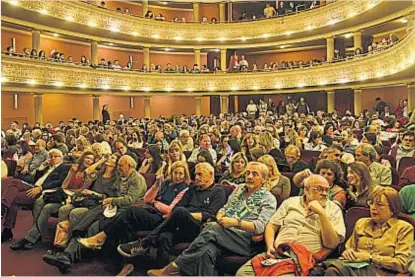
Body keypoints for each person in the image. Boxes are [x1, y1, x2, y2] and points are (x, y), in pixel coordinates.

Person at [146, 162, 277, 276]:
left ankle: (175, 267)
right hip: (225, 231)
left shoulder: (268, 199)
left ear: (264, 179)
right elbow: (224, 208)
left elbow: (260, 226)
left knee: (212, 228)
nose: (249, 177)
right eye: (248, 173)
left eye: (255, 174)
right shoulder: (239, 191)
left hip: (245, 240)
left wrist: (235, 222)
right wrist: (220, 217)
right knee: (207, 251)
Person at [115, 163, 227, 274]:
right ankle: (161, 271)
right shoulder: (192, 188)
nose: (196, 177)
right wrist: (179, 216)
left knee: (180, 212)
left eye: (200, 174)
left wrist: (184, 216)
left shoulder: (218, 191)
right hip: (179, 222)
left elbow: (211, 216)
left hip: (198, 227)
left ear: (210, 175)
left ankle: (146, 242)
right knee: (165, 236)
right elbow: (179, 206)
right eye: (196, 174)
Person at [42, 155, 147, 272]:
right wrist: (106, 198)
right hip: (111, 207)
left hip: (125, 212)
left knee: (93, 226)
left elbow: (129, 200)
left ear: (130, 166)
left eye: (121, 165)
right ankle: (67, 254)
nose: (118, 168)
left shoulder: (137, 179)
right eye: (118, 165)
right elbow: (112, 193)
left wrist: (111, 200)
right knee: (85, 220)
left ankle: (68, 255)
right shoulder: (122, 178)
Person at [236, 174, 345, 276]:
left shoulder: (333, 210)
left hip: (302, 259)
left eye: (327, 190)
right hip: (278, 253)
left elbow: (332, 244)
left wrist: (321, 214)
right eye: (319, 189)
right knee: (242, 273)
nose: (325, 193)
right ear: (306, 190)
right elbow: (272, 225)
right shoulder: (290, 202)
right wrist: (270, 247)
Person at [78, 161, 190, 249]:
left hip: (162, 219)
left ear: (185, 175)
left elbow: (170, 210)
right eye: (175, 173)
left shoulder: (185, 189)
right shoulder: (166, 183)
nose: (177, 176)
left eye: (181, 174)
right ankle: (127, 263)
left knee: (131, 211)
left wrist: (155, 202)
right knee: (127, 223)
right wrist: (156, 185)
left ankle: (101, 238)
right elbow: (147, 199)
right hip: (150, 210)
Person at [324, 186, 413, 276]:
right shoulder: (361, 223)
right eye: (371, 203)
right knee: (326, 270)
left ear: (392, 209)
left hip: (381, 272)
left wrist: (370, 258)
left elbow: (403, 264)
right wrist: (348, 253)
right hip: (354, 268)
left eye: (379, 204)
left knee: (333, 271)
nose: (373, 208)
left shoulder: (404, 228)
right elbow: (350, 248)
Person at [1, 149, 70, 243]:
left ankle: (7, 228)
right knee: (14, 182)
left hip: (44, 191)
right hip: (33, 186)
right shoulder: (47, 167)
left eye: (55, 156)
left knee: (14, 199)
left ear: (61, 158)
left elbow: (60, 182)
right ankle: (3, 206)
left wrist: (41, 188)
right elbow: (35, 179)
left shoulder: (64, 167)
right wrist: (42, 167)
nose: (53, 158)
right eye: (51, 156)